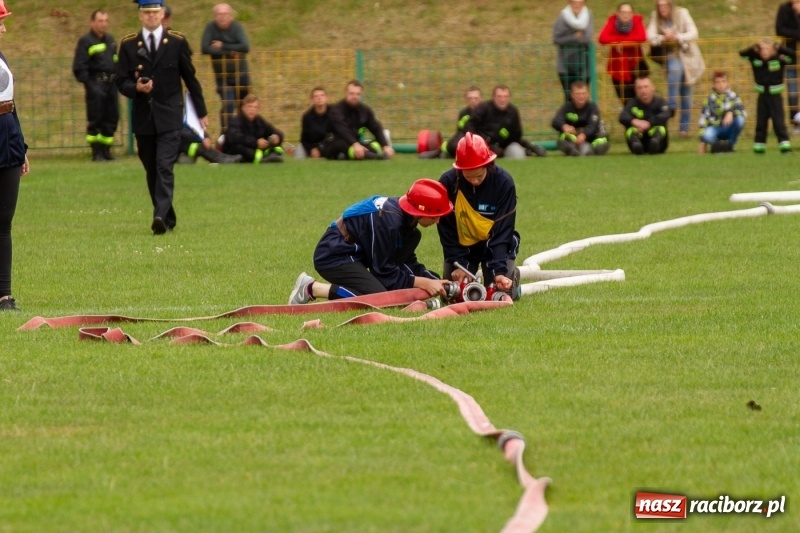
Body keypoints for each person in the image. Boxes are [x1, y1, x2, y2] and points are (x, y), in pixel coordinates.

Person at [116, 0, 208, 235]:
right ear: (140, 16)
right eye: (147, 13)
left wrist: (201, 112)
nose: (151, 17)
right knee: (151, 169)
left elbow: (191, 79)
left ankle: (158, 215)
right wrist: (136, 87)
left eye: (155, 13)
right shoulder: (128, 45)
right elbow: (120, 82)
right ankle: (167, 214)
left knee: (164, 165)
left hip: (170, 115)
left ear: (162, 14)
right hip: (144, 117)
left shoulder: (176, 42)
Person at [288, 179, 453, 304]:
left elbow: (406, 263)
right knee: (379, 298)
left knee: (389, 291)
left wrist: (434, 280)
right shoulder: (389, 222)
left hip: (355, 254)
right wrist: (423, 282)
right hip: (334, 254)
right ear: (420, 210)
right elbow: (384, 272)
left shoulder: (408, 227)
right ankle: (311, 288)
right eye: (435, 214)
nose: (438, 221)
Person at [436, 132, 521, 300]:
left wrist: (499, 271)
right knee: (451, 295)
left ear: (488, 166)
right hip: (463, 248)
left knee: (501, 292)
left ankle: (511, 278)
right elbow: (447, 230)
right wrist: (458, 263)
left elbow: (503, 230)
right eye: (468, 177)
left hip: (495, 245)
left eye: (479, 176)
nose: (474, 181)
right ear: (459, 171)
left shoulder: (504, 183)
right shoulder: (447, 183)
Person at [0, 1, 30, 311]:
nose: (4, 27)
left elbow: (11, 103)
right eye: (1, 21)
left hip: (7, 142)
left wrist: (21, 147)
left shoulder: (2, 56)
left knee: (3, 222)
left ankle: (4, 296)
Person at [646, 0, 704, 137]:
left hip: (687, 57)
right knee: (674, 70)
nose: (662, 9)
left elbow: (693, 32)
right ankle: (671, 105)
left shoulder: (682, 13)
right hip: (671, 55)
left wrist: (677, 37)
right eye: (660, 6)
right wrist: (663, 38)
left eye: (665, 5)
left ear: (671, 5)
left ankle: (684, 129)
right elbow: (649, 35)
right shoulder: (655, 16)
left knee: (686, 94)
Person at [72, 9, 119, 162]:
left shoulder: (110, 40)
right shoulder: (86, 41)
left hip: (111, 84)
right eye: (100, 21)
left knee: (112, 117)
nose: (103, 24)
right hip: (96, 85)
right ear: (92, 22)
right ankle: (96, 152)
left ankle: (106, 150)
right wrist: (91, 86)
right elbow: (79, 67)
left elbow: (115, 60)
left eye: (106, 21)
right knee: (96, 119)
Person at [740, 39, 796, 154]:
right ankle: (759, 147)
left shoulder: (780, 59)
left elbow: (793, 56)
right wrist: (753, 47)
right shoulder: (756, 60)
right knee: (761, 122)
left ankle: (785, 146)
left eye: (767, 49)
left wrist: (779, 47)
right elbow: (742, 54)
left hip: (775, 97)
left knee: (779, 122)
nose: (765, 52)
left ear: (773, 51)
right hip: (762, 97)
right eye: (762, 49)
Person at [201, 3, 250, 131]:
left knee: (244, 105)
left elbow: (245, 47)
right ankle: (225, 134)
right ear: (214, 16)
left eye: (225, 14)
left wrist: (222, 45)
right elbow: (205, 48)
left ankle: (244, 133)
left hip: (241, 74)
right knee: (228, 104)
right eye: (219, 14)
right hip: (222, 77)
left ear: (231, 16)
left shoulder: (237, 27)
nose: (222, 17)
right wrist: (230, 51)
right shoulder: (210, 28)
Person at [467, 85, 546, 158]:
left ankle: (529, 150)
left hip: (505, 146)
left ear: (509, 97)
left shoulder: (513, 111)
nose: (503, 99)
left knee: (517, 154)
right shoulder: (483, 108)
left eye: (506, 96)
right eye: (499, 96)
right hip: (482, 145)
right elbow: (471, 126)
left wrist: (529, 146)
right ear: (494, 97)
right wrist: (481, 142)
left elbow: (517, 136)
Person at [323, 80, 395, 160]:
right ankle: (372, 156)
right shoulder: (336, 110)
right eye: (352, 93)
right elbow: (342, 130)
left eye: (358, 94)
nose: (354, 96)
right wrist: (355, 144)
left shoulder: (365, 110)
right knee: (341, 144)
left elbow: (376, 127)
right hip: (335, 144)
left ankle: (366, 153)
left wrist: (385, 146)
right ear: (346, 93)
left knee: (373, 145)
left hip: (355, 143)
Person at [598, 3, 648, 104]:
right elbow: (602, 38)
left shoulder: (637, 21)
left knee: (642, 99)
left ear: (632, 14)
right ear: (618, 13)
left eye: (629, 12)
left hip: (636, 66)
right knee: (626, 102)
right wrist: (622, 41)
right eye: (623, 12)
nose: (626, 15)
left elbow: (642, 36)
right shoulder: (612, 21)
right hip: (618, 69)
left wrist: (620, 42)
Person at [551, 80, 610, 156]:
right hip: (574, 138)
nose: (581, 96)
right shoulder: (567, 107)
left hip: (590, 137)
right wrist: (564, 126)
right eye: (578, 94)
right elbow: (555, 121)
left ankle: (592, 150)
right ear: (572, 95)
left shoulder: (592, 107)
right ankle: (572, 151)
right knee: (562, 139)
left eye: (583, 93)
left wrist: (584, 135)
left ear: (588, 94)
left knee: (603, 139)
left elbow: (593, 126)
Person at [221, 94, 285, 163]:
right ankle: (263, 158)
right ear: (243, 108)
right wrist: (256, 142)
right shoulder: (235, 121)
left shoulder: (259, 121)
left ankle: (269, 156)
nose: (252, 110)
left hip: (256, 149)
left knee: (275, 147)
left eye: (255, 107)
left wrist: (276, 137)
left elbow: (275, 131)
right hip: (235, 150)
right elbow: (236, 138)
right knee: (240, 147)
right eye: (249, 106)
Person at [553, 0, 594, 102]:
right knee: (569, 98)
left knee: (582, 97)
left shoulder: (588, 15)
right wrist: (574, 36)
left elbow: (587, 38)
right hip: (565, 65)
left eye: (580, 3)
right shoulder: (562, 17)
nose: (577, 5)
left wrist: (568, 38)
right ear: (570, 3)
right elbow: (556, 39)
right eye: (574, 2)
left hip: (584, 64)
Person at [619, 76, 671, 154]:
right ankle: (637, 145)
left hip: (659, 142)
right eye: (639, 88)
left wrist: (649, 123)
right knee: (630, 130)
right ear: (635, 90)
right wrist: (634, 121)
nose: (643, 90)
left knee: (660, 127)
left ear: (653, 88)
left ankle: (654, 143)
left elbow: (666, 114)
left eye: (646, 87)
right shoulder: (632, 103)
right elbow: (622, 116)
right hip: (640, 137)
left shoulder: (660, 102)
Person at [697, 70, 746, 154]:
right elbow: (703, 120)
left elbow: (743, 112)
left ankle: (730, 145)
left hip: (729, 128)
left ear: (727, 83)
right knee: (707, 135)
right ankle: (719, 147)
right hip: (715, 129)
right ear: (714, 84)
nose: (721, 85)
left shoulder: (733, 96)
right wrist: (702, 141)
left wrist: (731, 112)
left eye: (723, 81)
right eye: (718, 82)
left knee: (740, 120)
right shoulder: (709, 100)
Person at [775, 0, 800, 133]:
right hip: (791, 57)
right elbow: (779, 29)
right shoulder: (784, 9)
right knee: (793, 92)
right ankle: (796, 123)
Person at [439, 85, 482, 159]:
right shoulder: (463, 113)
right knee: (453, 145)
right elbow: (459, 131)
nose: (473, 101)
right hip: (465, 140)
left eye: (476, 98)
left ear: (481, 99)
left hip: (480, 142)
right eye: (470, 98)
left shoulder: (486, 112)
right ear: (466, 99)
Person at [297, 86, 329, 159]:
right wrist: (311, 149)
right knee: (299, 149)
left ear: (327, 98)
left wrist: (320, 149)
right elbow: (304, 139)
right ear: (312, 100)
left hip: (329, 146)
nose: (319, 98)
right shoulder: (307, 117)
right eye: (316, 96)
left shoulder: (334, 113)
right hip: (313, 146)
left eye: (322, 95)